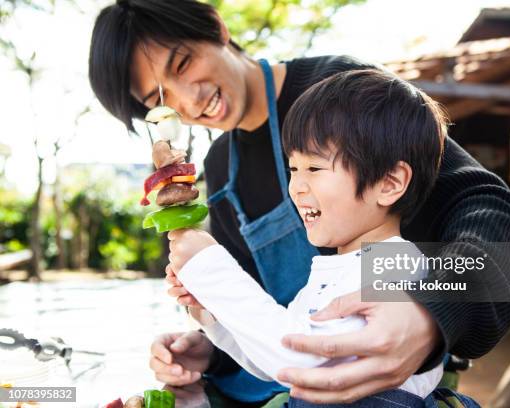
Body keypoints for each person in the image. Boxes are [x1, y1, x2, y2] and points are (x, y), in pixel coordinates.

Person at [88, 0, 510, 405]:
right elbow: (277, 319)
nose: (189, 99)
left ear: (217, 28)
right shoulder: (220, 167)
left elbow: (491, 211)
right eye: (159, 100)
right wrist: (212, 339)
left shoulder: (343, 97)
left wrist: (430, 312)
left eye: (183, 63)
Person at [165, 69, 481, 407]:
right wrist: (211, 314)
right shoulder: (332, 270)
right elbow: (275, 366)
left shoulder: (395, 265)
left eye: (314, 169)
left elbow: (301, 357)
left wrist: (210, 268)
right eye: (293, 169)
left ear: (389, 182)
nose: (297, 187)